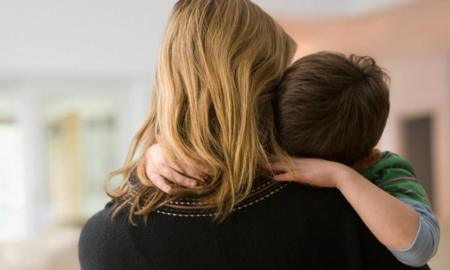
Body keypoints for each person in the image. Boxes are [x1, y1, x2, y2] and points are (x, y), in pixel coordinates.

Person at [79, 1, 430, 269]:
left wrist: (151, 161)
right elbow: (416, 246)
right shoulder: (346, 209)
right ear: (260, 95)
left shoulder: (105, 239)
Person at [145, 52, 439, 267]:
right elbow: (209, 156)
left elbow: (418, 248)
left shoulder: (383, 170)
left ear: (365, 159)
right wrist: (160, 152)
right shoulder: (273, 140)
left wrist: (341, 177)